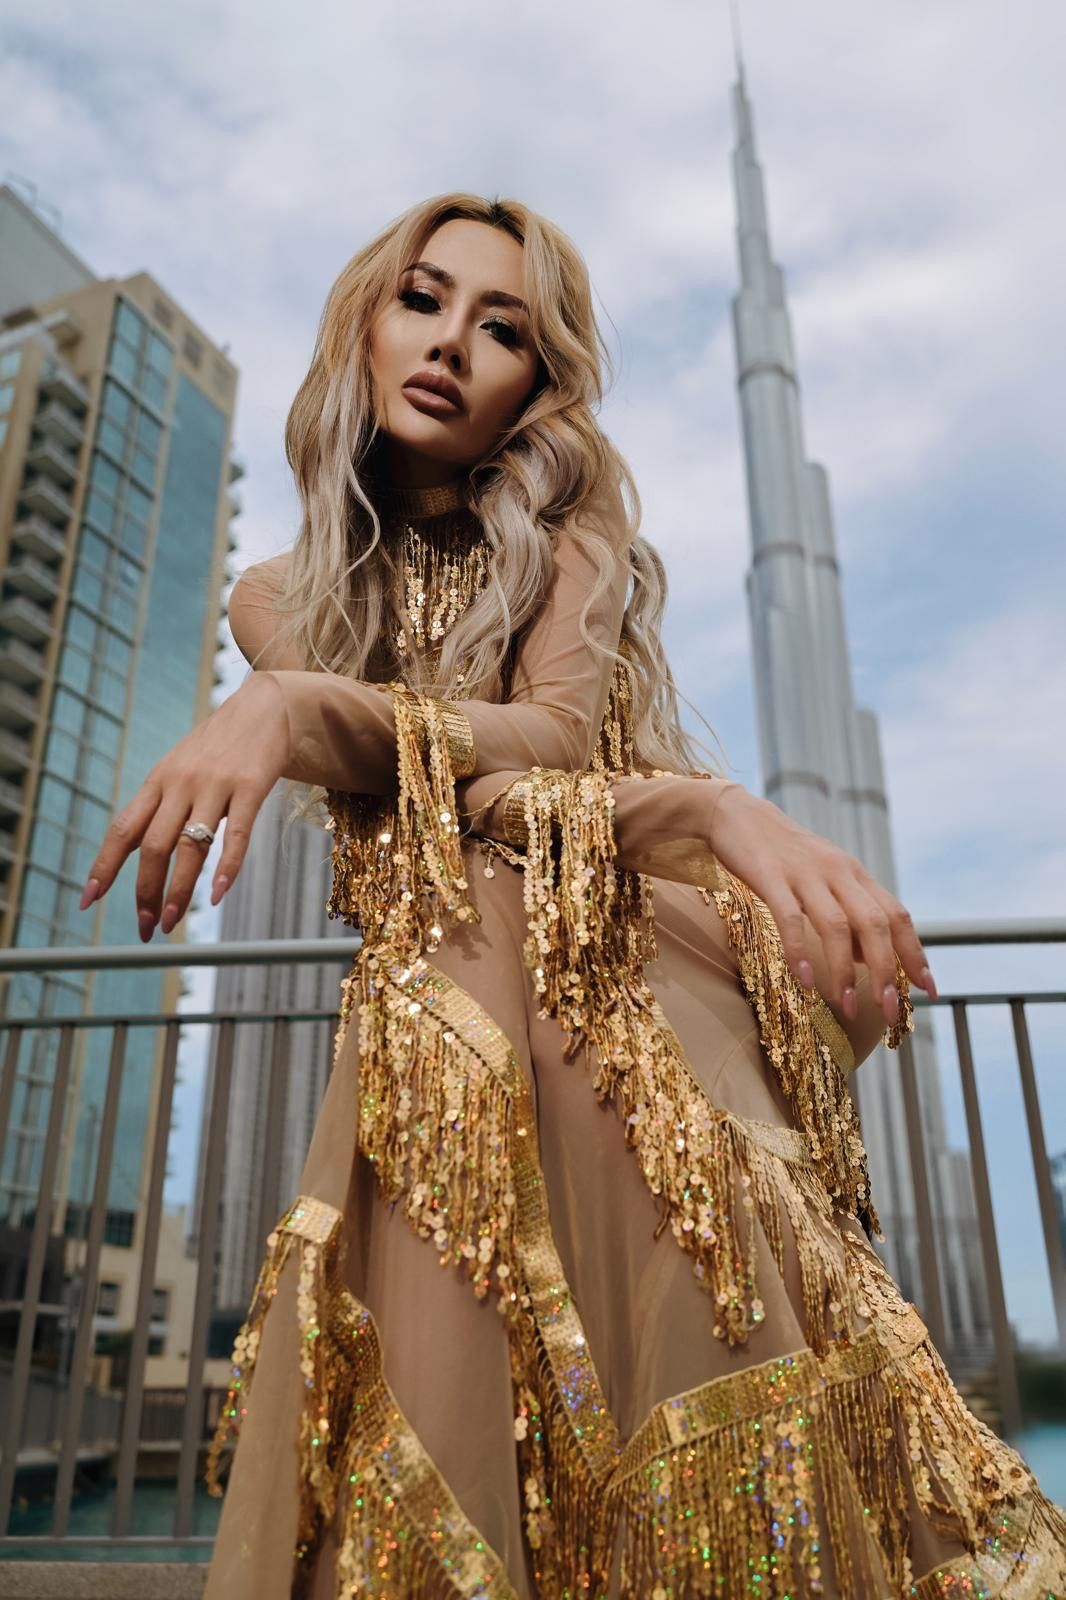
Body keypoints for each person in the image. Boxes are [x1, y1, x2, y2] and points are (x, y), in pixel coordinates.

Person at [81, 194, 1065, 1597]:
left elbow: (532, 755)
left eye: (505, 331)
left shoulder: (569, 525)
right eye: (421, 300)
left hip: (622, 968)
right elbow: (453, 803)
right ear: (362, 322)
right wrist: (298, 698)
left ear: (535, 388)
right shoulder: (277, 595)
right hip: (449, 1002)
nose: (451, 346)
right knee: (451, 989)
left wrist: (702, 808)